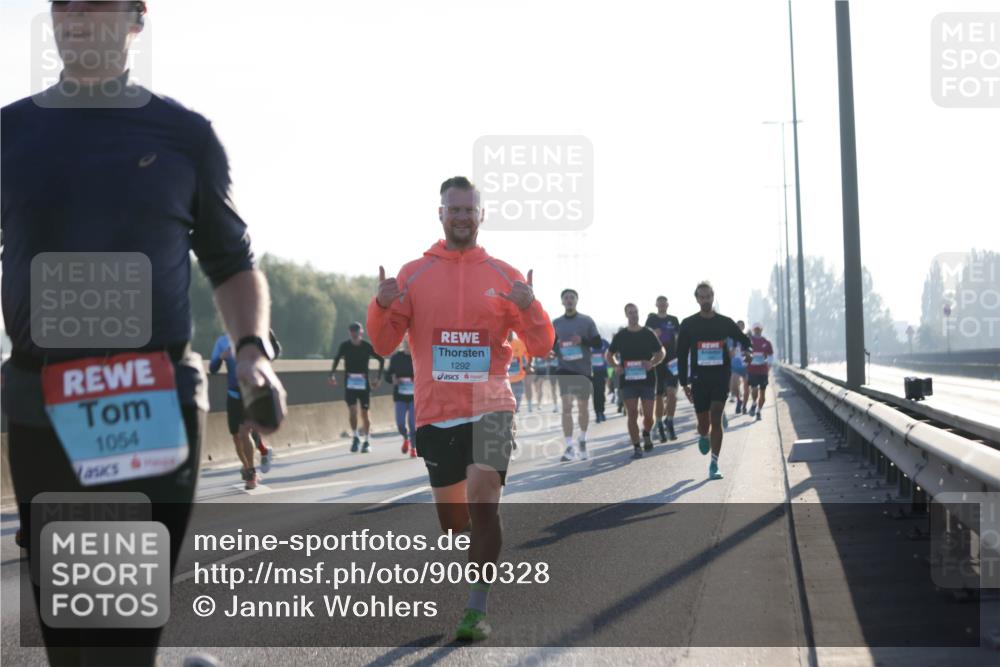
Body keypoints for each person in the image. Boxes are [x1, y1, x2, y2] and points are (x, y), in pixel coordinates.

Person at [0, 2, 287, 664]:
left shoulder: (184, 135)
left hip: (147, 394)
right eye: (63, 4)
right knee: (69, 635)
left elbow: (232, 263)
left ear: (135, 21)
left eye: (95, 4)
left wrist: (251, 353)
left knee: (118, 629)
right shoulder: (10, 132)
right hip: (40, 397)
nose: (75, 16)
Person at [367, 176, 554, 641]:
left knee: (484, 501)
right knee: (455, 525)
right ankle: (474, 545)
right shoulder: (413, 273)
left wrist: (531, 308)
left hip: (492, 404)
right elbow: (384, 342)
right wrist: (380, 305)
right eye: (455, 210)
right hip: (435, 412)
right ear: (441, 214)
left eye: (470, 210)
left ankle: (476, 608)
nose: (463, 217)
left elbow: (542, 344)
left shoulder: (504, 275)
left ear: (481, 215)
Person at [676, 281, 752, 480]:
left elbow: (743, 339)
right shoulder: (688, 324)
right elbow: (682, 354)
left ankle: (714, 463)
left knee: (716, 416)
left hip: (720, 376)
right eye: (702, 296)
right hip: (699, 378)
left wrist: (748, 351)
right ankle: (703, 435)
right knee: (703, 423)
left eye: (708, 296)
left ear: (713, 296)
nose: (705, 300)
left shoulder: (724, 322)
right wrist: (683, 383)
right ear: (697, 299)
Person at [209, 333, 277, 488]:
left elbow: (273, 353)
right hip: (233, 395)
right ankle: (248, 466)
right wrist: (221, 357)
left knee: (244, 432)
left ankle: (251, 474)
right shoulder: (221, 341)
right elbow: (212, 369)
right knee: (236, 437)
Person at [607, 304, 665, 458]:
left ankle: (646, 433)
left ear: (639, 314)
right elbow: (609, 355)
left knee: (648, 416)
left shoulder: (648, 333)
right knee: (632, 413)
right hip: (628, 380)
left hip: (647, 379)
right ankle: (637, 446)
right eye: (630, 313)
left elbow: (661, 352)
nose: (633, 315)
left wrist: (652, 363)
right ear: (626, 315)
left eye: (636, 312)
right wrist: (616, 366)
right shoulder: (621, 335)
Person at [552, 289, 602, 461]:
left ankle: (582, 439)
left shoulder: (586, 321)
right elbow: (552, 346)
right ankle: (568, 446)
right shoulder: (556, 323)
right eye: (566, 297)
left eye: (572, 297)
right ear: (562, 302)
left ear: (577, 300)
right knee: (566, 408)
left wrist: (583, 341)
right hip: (564, 369)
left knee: (582, 409)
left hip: (583, 371)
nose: (569, 300)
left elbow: (597, 343)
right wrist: (552, 352)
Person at [329, 322, 384, 453]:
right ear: (349, 333)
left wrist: (378, 378)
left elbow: (381, 360)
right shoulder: (345, 346)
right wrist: (331, 375)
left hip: (364, 384)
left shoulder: (366, 346)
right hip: (350, 384)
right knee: (352, 411)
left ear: (361, 332)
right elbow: (336, 359)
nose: (354, 334)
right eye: (352, 331)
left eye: (357, 331)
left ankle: (367, 440)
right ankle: (355, 437)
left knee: (365, 414)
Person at [644, 296, 681, 442]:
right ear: (656, 304)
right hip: (658, 361)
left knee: (672, 393)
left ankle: (670, 421)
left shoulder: (674, 319)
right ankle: (658, 422)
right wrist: (654, 334)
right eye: (659, 303)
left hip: (672, 360)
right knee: (658, 394)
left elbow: (679, 338)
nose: (662, 305)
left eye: (664, 303)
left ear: (667, 304)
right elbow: (645, 339)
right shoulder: (651, 320)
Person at [385, 335, 417, 456]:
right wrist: (392, 378)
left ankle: (413, 448)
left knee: (413, 425)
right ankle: (406, 438)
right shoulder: (396, 358)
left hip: (415, 397)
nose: (408, 345)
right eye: (406, 343)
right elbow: (387, 375)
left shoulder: (418, 356)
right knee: (400, 424)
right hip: (400, 396)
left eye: (410, 342)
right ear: (402, 343)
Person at [747, 323, 775, 421]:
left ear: (761, 330)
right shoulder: (749, 341)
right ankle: (754, 403)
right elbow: (744, 353)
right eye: (755, 329)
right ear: (753, 330)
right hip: (752, 370)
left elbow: (771, 356)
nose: (757, 330)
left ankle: (759, 411)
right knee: (754, 390)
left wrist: (769, 367)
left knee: (762, 394)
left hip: (763, 371)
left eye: (759, 329)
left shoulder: (766, 342)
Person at [728, 320, 750, 416]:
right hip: (735, 366)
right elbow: (729, 353)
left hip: (746, 366)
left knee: (746, 387)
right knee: (733, 386)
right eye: (738, 326)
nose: (739, 328)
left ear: (743, 327)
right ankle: (739, 400)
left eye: (741, 326)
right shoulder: (731, 339)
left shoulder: (746, 338)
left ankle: (744, 406)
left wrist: (747, 353)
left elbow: (751, 351)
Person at [507, 331, 529, 412]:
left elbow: (525, 357)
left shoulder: (519, 343)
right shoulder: (498, 344)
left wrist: (528, 367)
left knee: (516, 407)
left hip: (518, 379)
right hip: (505, 382)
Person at [590, 335, 610, 422]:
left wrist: (609, 373)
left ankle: (601, 411)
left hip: (603, 371)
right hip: (591, 371)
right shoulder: (588, 343)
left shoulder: (604, 343)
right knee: (595, 393)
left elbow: (611, 354)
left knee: (601, 391)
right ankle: (597, 413)